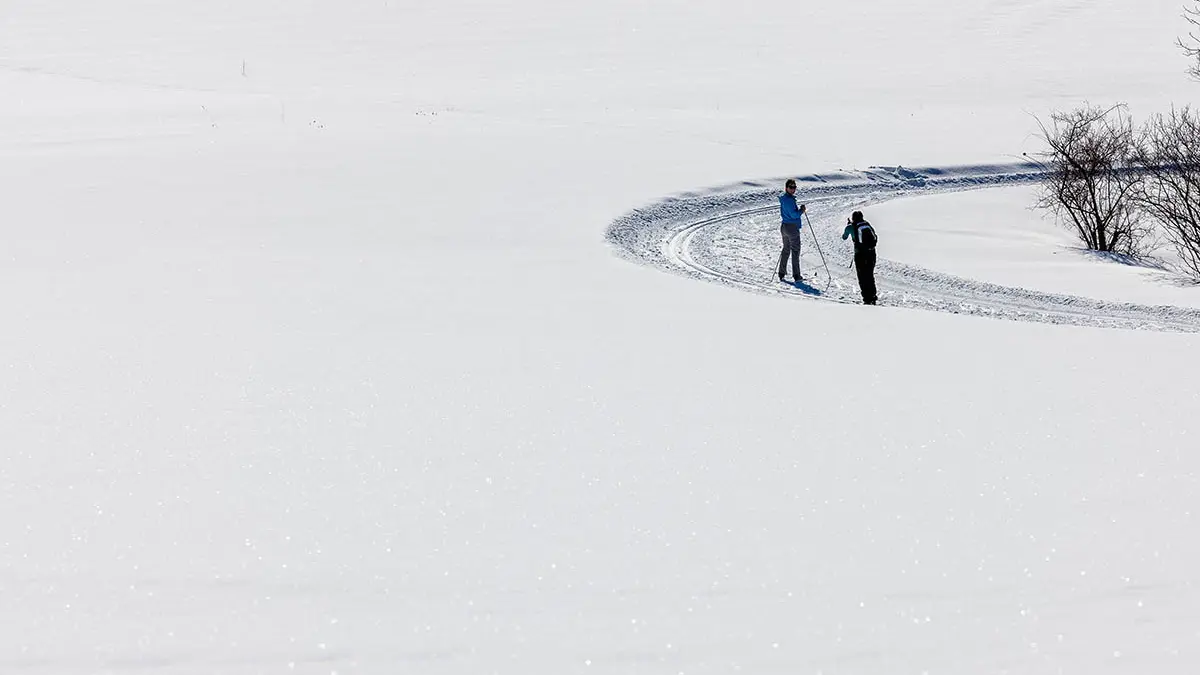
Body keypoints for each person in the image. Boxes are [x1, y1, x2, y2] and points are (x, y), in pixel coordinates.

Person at [842, 210, 878, 305]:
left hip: (860, 254)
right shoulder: (867, 224)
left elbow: (844, 237)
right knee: (870, 274)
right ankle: (873, 296)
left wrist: (849, 226)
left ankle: (866, 298)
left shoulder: (850, 227)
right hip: (871, 253)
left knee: (862, 276)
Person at [778, 179, 806, 282]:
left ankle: (781, 273)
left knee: (786, 249)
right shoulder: (789, 200)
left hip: (784, 226)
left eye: (794, 187)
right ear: (786, 188)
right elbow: (794, 215)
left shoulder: (784, 198)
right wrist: (801, 211)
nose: (793, 189)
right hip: (792, 227)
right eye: (791, 187)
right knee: (795, 251)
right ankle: (796, 275)